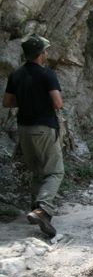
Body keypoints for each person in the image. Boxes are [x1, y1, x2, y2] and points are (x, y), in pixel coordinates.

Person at [3, 33, 64, 237]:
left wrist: (28, 101)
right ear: (40, 54)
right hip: (44, 128)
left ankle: (34, 209)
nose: (47, 53)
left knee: (37, 170)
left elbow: (8, 102)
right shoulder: (47, 74)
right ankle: (43, 209)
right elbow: (57, 103)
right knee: (55, 172)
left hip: (24, 128)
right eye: (45, 50)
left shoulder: (16, 75)